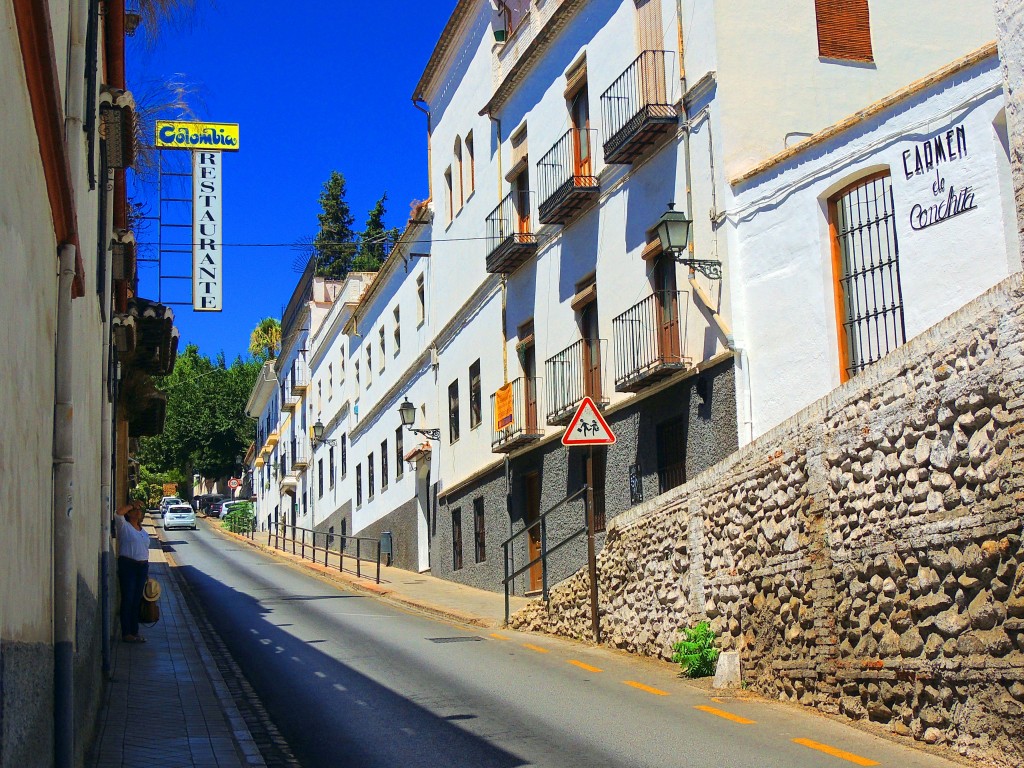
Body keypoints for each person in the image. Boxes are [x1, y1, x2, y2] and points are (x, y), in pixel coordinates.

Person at [114, 500, 151, 643]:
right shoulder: (125, 527)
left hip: (142, 567)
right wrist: (131, 505)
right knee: (128, 598)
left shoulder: (143, 532)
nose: (138, 511)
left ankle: (134, 632)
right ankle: (126, 633)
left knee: (136, 600)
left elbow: (145, 550)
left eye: (139, 510)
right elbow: (118, 514)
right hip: (128, 565)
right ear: (129, 514)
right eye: (135, 510)